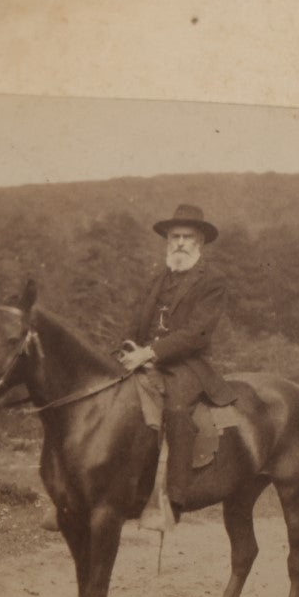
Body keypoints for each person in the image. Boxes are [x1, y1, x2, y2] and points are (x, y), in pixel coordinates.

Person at [119, 203, 237, 511]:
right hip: (144, 358)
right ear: (167, 241)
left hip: (187, 365)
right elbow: (135, 323)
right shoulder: (156, 279)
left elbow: (197, 334)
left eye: (187, 237)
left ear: (199, 241)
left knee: (177, 409)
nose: (180, 243)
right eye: (174, 237)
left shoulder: (212, 280)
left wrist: (152, 352)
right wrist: (128, 349)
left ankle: (175, 495)